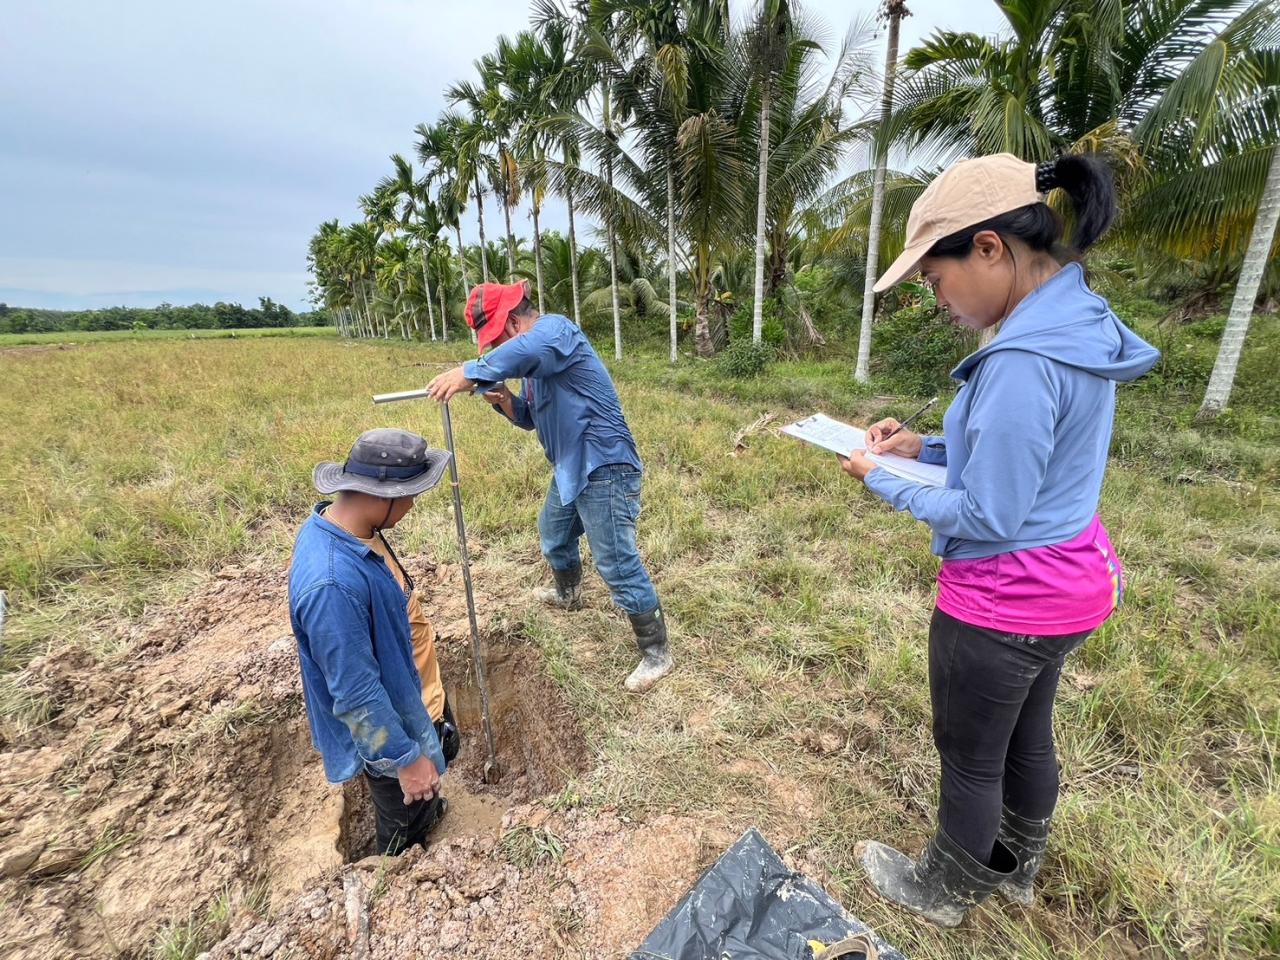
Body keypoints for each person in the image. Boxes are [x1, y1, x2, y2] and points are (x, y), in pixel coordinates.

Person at [838, 153, 1159, 926]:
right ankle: (1016, 868)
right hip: (1072, 584)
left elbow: (989, 515)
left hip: (1004, 600)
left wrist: (876, 476)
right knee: (1026, 734)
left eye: (935, 279)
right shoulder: (1076, 322)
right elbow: (1021, 461)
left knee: (971, 752)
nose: (938, 299)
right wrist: (923, 449)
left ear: (989, 248)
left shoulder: (1020, 360)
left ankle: (943, 892)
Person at [423, 281, 674, 693]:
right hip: (571, 467)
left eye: (496, 339)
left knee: (615, 562)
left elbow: (528, 351)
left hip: (604, 466)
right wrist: (504, 399)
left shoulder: (556, 332)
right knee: (554, 535)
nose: (495, 349)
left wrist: (468, 371)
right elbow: (531, 418)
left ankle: (656, 653)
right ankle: (569, 593)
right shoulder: (538, 366)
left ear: (514, 321)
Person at [288, 428, 462, 855]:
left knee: (432, 776)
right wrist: (407, 760)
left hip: (412, 696)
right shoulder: (330, 584)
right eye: (410, 495)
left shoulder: (355, 529)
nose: (413, 504)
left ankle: (427, 808)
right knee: (403, 823)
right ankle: (401, 863)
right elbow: (355, 693)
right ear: (380, 495)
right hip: (391, 730)